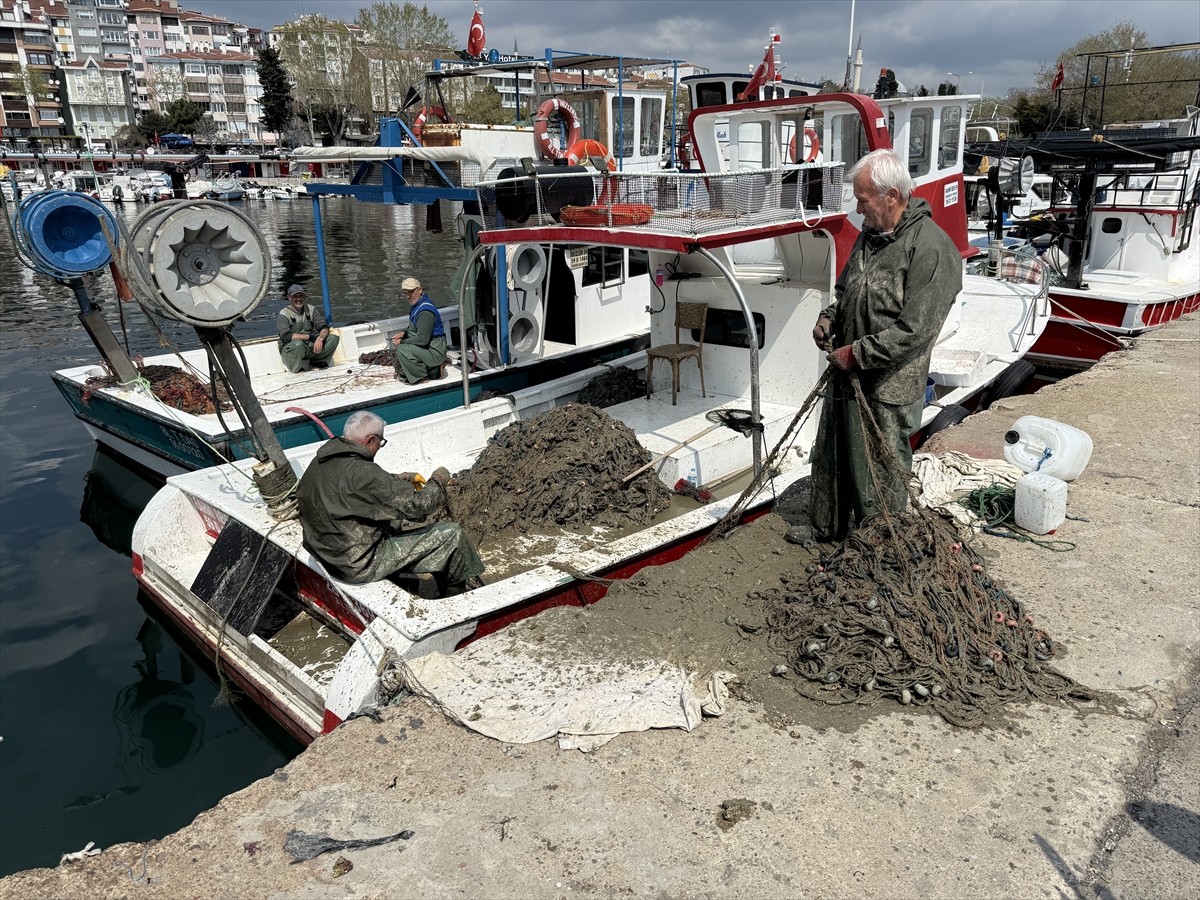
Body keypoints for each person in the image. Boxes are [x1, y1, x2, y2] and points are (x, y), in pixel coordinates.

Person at [800, 148, 962, 544]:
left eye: (863, 200)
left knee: (881, 466)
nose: (858, 211)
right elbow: (847, 292)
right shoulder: (869, 239)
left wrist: (856, 354)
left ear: (891, 196)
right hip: (848, 374)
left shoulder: (931, 248)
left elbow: (914, 331)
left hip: (888, 384)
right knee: (834, 452)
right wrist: (829, 319)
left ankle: (879, 544)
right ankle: (828, 528)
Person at [296, 411, 484, 596]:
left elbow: (352, 487)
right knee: (452, 535)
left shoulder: (321, 461)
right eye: (381, 442)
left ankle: (405, 579)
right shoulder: (366, 472)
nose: (380, 447)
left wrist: (399, 478)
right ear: (370, 440)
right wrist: (438, 480)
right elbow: (419, 507)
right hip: (358, 564)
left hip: (327, 555)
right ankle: (454, 598)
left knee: (392, 518)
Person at [391, 277, 448, 384]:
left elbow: (422, 340)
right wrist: (404, 333)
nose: (408, 296)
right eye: (406, 293)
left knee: (402, 349)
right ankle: (427, 369)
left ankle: (422, 377)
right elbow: (415, 328)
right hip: (427, 348)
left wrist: (401, 342)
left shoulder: (425, 312)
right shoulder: (417, 305)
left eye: (411, 292)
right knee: (403, 359)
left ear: (420, 290)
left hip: (435, 352)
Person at [277, 284, 339, 373]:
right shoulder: (284, 314)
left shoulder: (311, 309)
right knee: (298, 344)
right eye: (295, 296)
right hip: (291, 347)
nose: (299, 299)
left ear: (305, 296)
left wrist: (320, 338)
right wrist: (309, 337)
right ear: (289, 297)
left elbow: (323, 326)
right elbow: (285, 335)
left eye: (301, 296)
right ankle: (296, 368)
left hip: (308, 345)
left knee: (333, 338)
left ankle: (317, 362)